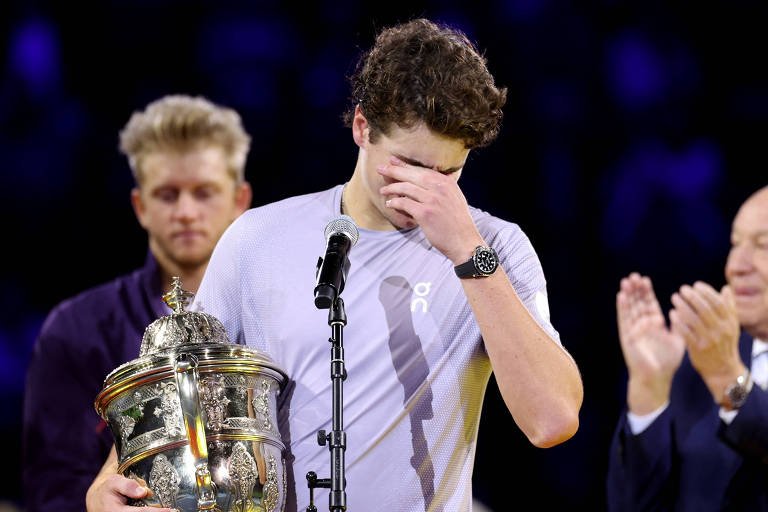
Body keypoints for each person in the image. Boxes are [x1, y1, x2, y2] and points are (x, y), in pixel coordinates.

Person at [86, 17, 583, 511]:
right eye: (410, 166)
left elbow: (552, 420)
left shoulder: (495, 248)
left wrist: (467, 253)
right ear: (362, 127)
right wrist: (111, 483)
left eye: (449, 172)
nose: (428, 192)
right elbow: (179, 380)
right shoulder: (258, 239)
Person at [22, 94, 253, 511]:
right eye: (167, 194)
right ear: (140, 205)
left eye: (204, 193)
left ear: (240, 201)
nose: (185, 212)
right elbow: (50, 486)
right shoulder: (76, 329)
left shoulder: (272, 319)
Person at [606, 185, 768, 511]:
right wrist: (650, 391)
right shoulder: (701, 365)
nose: (737, 265)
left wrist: (728, 380)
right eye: (735, 244)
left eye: (762, 246)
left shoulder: (718, 366)